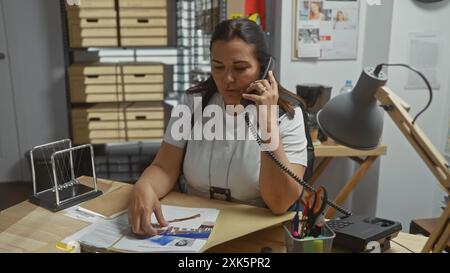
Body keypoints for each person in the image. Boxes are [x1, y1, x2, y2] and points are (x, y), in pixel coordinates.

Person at [128, 19, 308, 236]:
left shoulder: (287, 115)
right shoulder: (193, 102)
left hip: (254, 230)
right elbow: (164, 168)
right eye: (218, 67)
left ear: (264, 67)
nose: (227, 79)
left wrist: (267, 123)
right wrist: (144, 185)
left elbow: (280, 202)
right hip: (192, 222)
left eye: (240, 68)